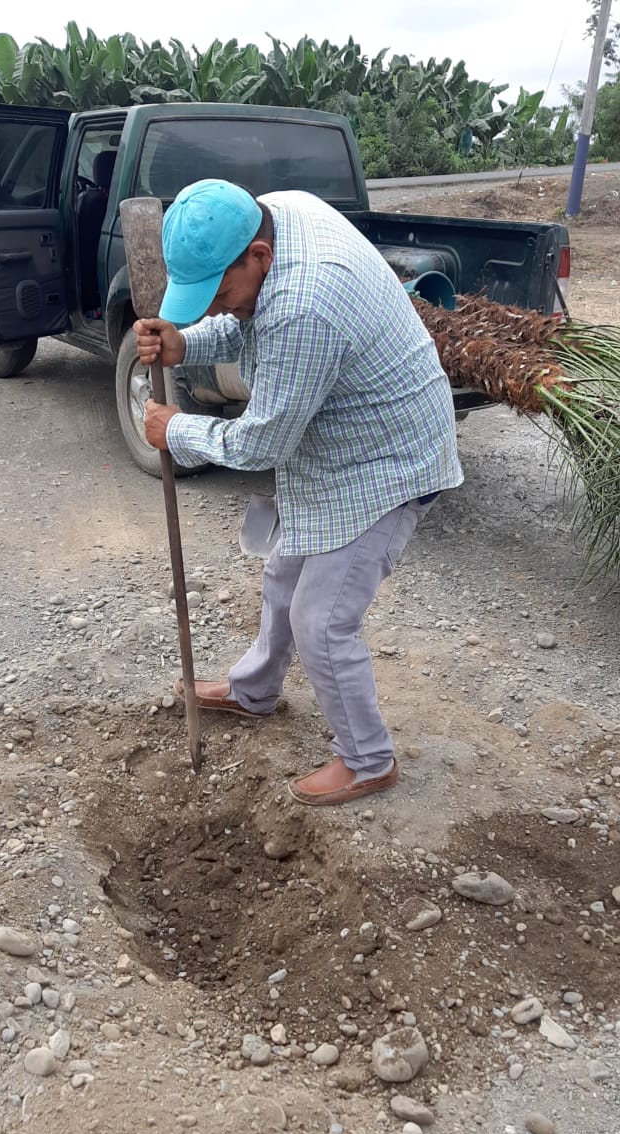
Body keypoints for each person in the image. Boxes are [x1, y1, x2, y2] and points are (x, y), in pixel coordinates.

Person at [133, 178, 462, 806]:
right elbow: (247, 320)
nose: (215, 306)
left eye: (218, 293)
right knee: (283, 575)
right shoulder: (279, 213)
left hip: (388, 464)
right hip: (338, 440)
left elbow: (261, 444)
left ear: (258, 255)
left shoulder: (306, 304)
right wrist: (185, 343)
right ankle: (254, 691)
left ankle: (368, 759)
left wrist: (176, 429)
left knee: (322, 619)